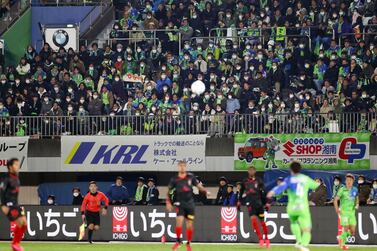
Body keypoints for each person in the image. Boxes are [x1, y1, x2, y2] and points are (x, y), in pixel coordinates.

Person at [267, 161, 319, 251]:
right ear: (300, 169)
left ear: (290, 169)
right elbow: (315, 186)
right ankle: (303, 244)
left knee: (294, 222)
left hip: (292, 207)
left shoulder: (289, 179)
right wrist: (317, 184)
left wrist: (272, 192)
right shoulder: (305, 178)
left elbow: (280, 188)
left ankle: (298, 241)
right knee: (307, 229)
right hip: (302, 207)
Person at [166, 161, 208, 251]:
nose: (182, 167)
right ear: (178, 167)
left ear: (186, 167)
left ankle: (188, 243)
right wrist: (168, 202)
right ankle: (178, 241)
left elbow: (198, 186)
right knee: (179, 221)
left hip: (190, 205)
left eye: (184, 166)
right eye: (180, 166)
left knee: (189, 224)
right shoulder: (174, 179)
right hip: (179, 204)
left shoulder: (190, 177)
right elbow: (168, 191)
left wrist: (205, 191)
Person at [239, 166, 270, 248]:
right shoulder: (244, 181)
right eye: (250, 170)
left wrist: (267, 202)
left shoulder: (259, 180)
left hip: (259, 204)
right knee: (253, 221)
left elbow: (264, 191)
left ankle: (266, 238)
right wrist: (239, 201)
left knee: (262, 222)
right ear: (248, 171)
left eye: (253, 170)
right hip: (250, 204)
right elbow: (241, 191)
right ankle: (260, 239)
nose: (251, 171)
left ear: (255, 171)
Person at [0, 158, 27, 251]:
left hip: (16, 204)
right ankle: (15, 244)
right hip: (8, 204)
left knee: (24, 224)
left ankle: (16, 244)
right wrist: (3, 205)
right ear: (10, 167)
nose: (18, 166)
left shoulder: (16, 177)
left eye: (18, 164)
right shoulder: (6, 178)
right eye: (15, 164)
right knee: (20, 222)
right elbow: (1, 191)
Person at [334, 174, 359, 250]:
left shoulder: (355, 189)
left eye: (350, 180)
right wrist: (337, 209)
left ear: (353, 181)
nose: (348, 181)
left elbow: (357, 198)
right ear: (345, 181)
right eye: (347, 180)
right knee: (346, 228)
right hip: (344, 212)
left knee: (352, 231)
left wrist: (357, 204)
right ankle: (342, 244)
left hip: (352, 213)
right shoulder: (342, 189)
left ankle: (341, 236)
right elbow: (335, 200)